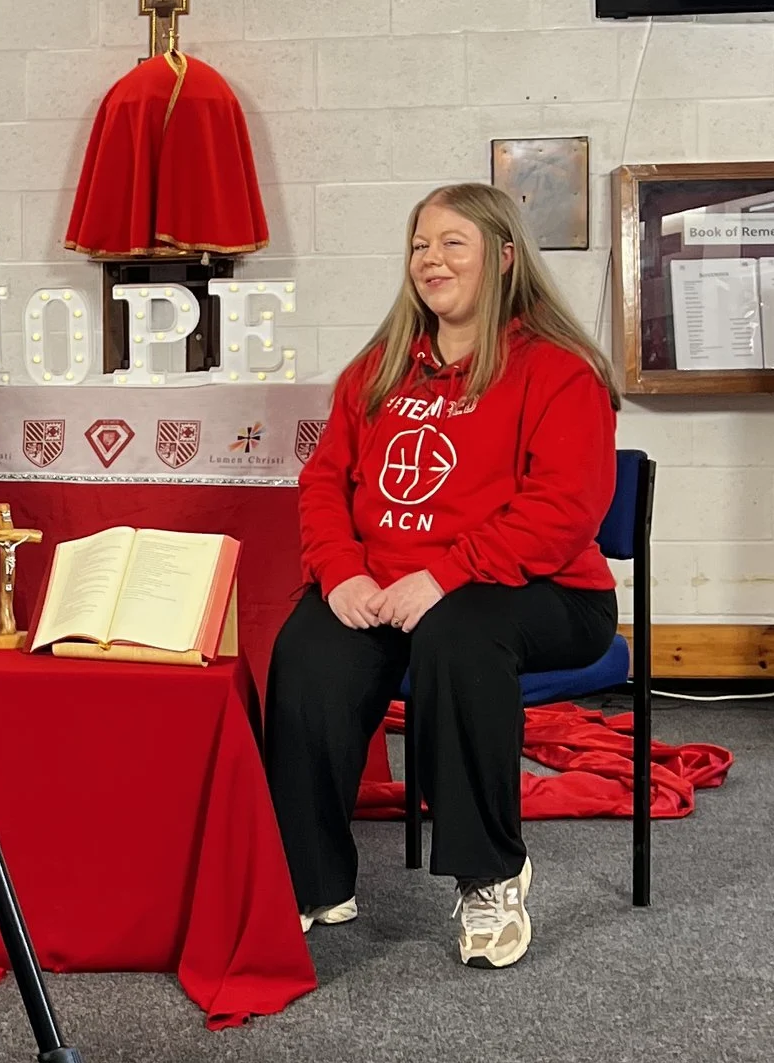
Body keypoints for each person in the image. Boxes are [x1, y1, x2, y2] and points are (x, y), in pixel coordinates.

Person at [262, 182, 617, 971]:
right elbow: (323, 484)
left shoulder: (560, 371)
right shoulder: (379, 370)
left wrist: (448, 574)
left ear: (504, 256)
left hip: (544, 592)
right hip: (390, 590)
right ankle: (310, 876)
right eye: (421, 244)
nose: (432, 258)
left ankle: (489, 874)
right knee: (311, 644)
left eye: (454, 242)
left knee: (460, 634)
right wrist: (340, 574)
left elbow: (563, 510)